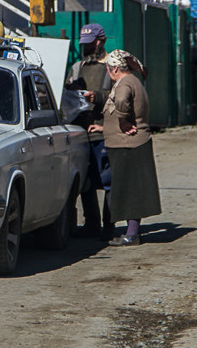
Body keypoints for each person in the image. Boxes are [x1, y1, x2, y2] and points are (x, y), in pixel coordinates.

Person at [88, 49, 161, 247]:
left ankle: (132, 234)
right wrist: (105, 127)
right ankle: (131, 233)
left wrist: (122, 123)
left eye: (108, 70)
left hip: (128, 146)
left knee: (130, 191)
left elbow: (121, 101)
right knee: (130, 190)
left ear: (113, 69)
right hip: (129, 144)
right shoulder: (132, 81)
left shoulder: (125, 83)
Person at [65, 23, 114, 239]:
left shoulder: (113, 66)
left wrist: (98, 96)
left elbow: (121, 94)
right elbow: (66, 93)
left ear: (101, 41)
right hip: (81, 132)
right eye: (84, 44)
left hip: (103, 132)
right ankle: (92, 224)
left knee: (108, 181)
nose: (87, 48)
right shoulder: (76, 68)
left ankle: (110, 226)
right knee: (85, 182)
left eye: (91, 43)